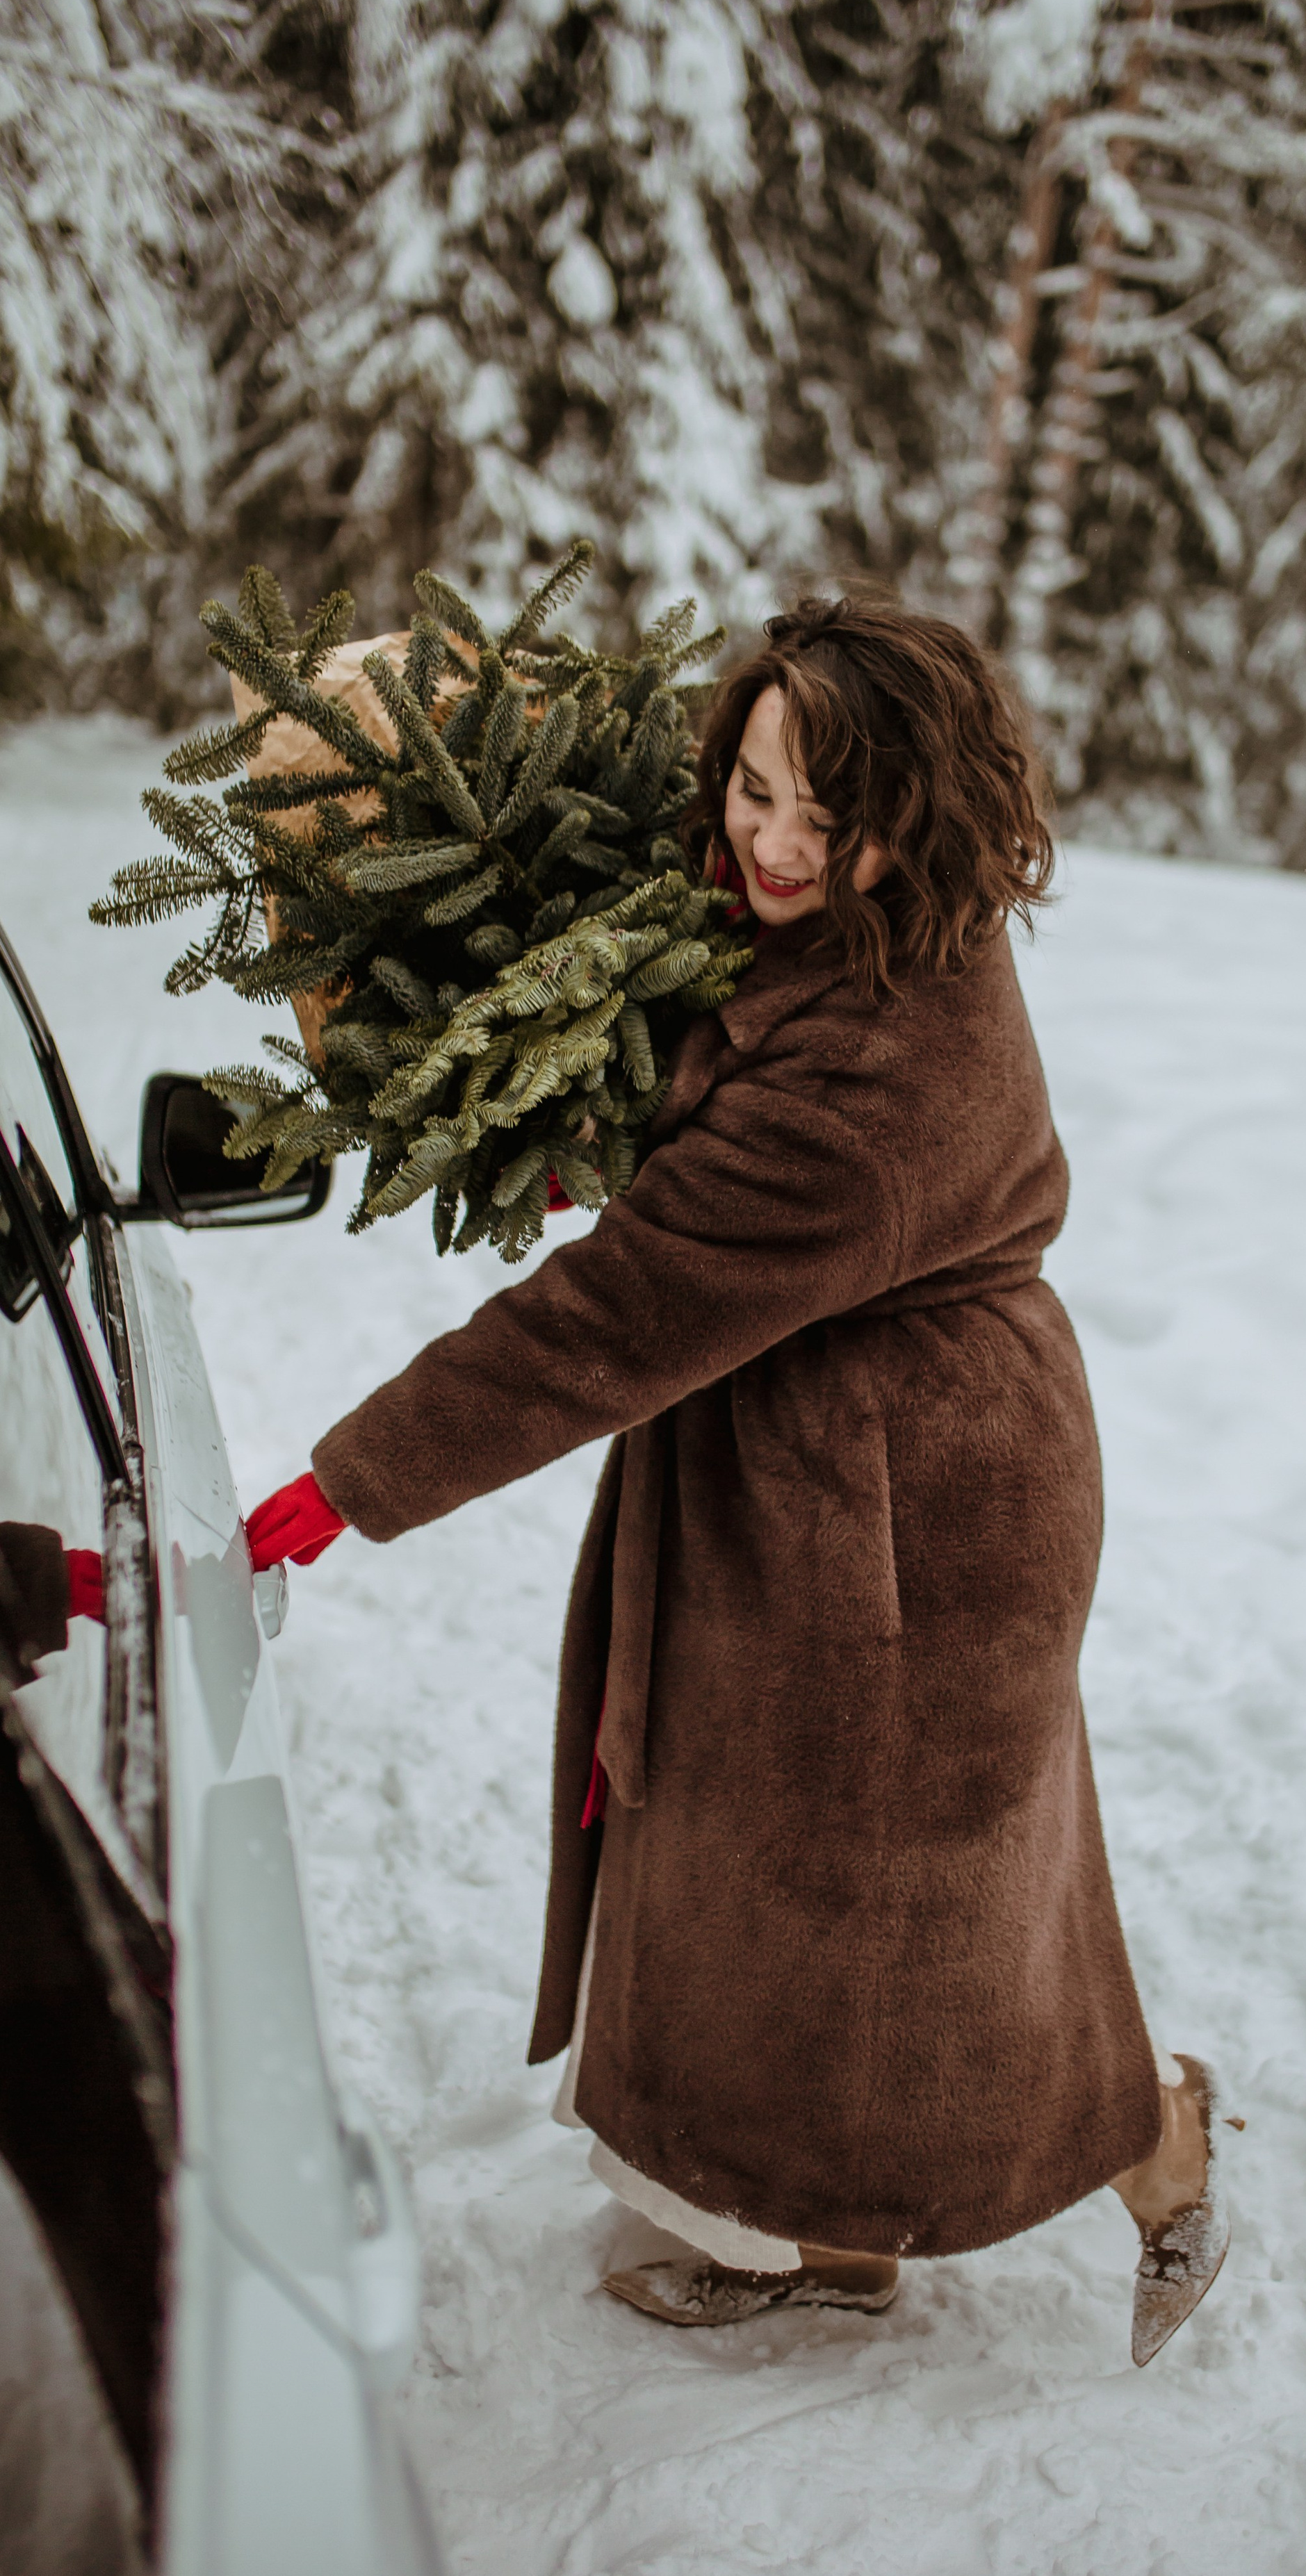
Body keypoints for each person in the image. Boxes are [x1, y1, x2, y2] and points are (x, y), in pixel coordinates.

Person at [246, 595, 1228, 2362]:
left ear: (907, 820)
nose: (769, 843)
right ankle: (823, 2237)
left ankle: (1151, 2134)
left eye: (820, 815)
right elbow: (689, 1119)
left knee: (896, 1909)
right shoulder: (846, 925)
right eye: (753, 788)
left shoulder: (876, 1076)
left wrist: (346, 1483)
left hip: (912, 1511)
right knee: (792, 1876)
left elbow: (609, 1316)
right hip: (827, 1460)